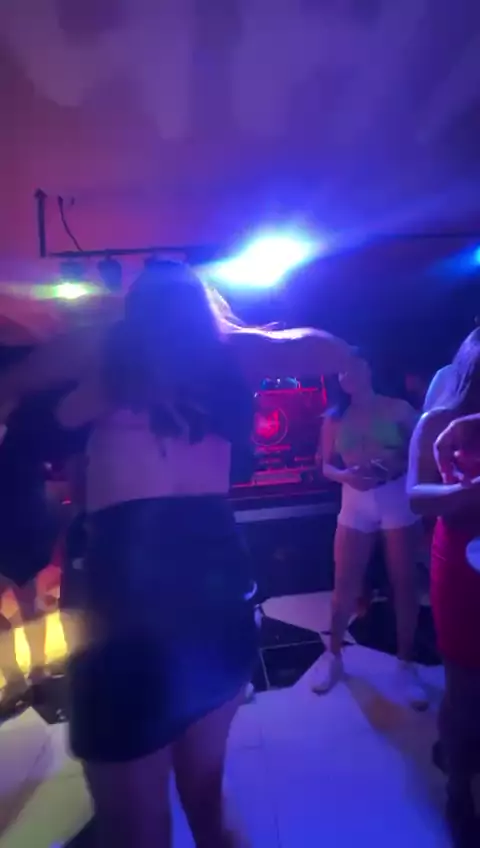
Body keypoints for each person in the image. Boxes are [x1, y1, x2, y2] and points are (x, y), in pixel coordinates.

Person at [54, 262, 260, 848]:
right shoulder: (219, 379)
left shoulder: (109, 383)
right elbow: (318, 347)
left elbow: (58, 417)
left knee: (137, 831)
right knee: (206, 799)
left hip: (133, 614)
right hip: (218, 601)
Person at [313, 353, 427, 708]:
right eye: (340, 370)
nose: (346, 375)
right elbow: (325, 466)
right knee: (344, 583)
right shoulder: (334, 418)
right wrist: (345, 476)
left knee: (404, 583)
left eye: (352, 367)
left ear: (369, 368)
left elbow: (422, 453)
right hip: (355, 500)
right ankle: (333, 657)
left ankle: (405, 664)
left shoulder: (397, 408)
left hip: (396, 497)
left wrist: (395, 463)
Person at [408, 328, 480, 846]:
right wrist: (467, 494)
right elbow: (415, 495)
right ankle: (458, 791)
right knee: (464, 683)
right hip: (460, 559)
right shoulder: (438, 420)